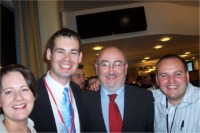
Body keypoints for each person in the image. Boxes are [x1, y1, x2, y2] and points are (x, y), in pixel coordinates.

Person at [82, 47, 154, 132]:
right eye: (105, 64)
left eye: (118, 64)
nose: (111, 71)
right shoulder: (83, 100)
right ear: (97, 68)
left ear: (126, 68)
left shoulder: (145, 98)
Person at [29, 28, 83, 132]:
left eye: (73, 52)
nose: (67, 58)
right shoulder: (30, 93)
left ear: (80, 57)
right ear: (49, 54)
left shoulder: (79, 92)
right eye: (60, 51)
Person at [152, 54, 200, 132]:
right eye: (164, 75)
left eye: (177, 74)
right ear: (157, 80)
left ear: (187, 76)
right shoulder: (150, 100)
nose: (171, 81)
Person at [0, 64, 37, 133]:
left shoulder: (32, 127)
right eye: (9, 92)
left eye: (24, 89)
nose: (18, 97)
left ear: (34, 95)